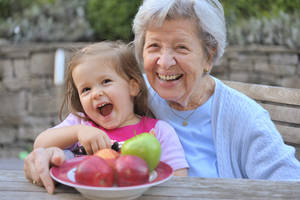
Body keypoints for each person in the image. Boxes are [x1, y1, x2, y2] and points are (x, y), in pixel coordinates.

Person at [24, 0, 300, 194]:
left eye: (181, 47)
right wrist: (45, 154)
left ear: (209, 56)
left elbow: (289, 186)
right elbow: (66, 137)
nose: (164, 62)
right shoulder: (123, 96)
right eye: (154, 46)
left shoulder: (245, 117)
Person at [26, 41, 188, 192]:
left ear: (133, 86)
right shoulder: (81, 123)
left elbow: (179, 181)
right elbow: (40, 144)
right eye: (86, 89)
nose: (96, 94)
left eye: (106, 81)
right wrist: (78, 132)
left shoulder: (158, 131)